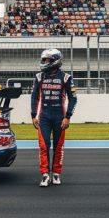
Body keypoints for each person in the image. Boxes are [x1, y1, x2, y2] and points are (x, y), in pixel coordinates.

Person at [31, 48, 77, 187]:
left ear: (56, 61)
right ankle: (45, 175)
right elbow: (34, 97)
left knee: (58, 146)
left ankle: (56, 173)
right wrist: (33, 115)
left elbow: (73, 98)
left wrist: (67, 117)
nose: (45, 62)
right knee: (43, 146)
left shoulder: (66, 77)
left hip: (60, 117)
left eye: (47, 60)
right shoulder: (39, 77)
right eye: (43, 60)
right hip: (44, 117)